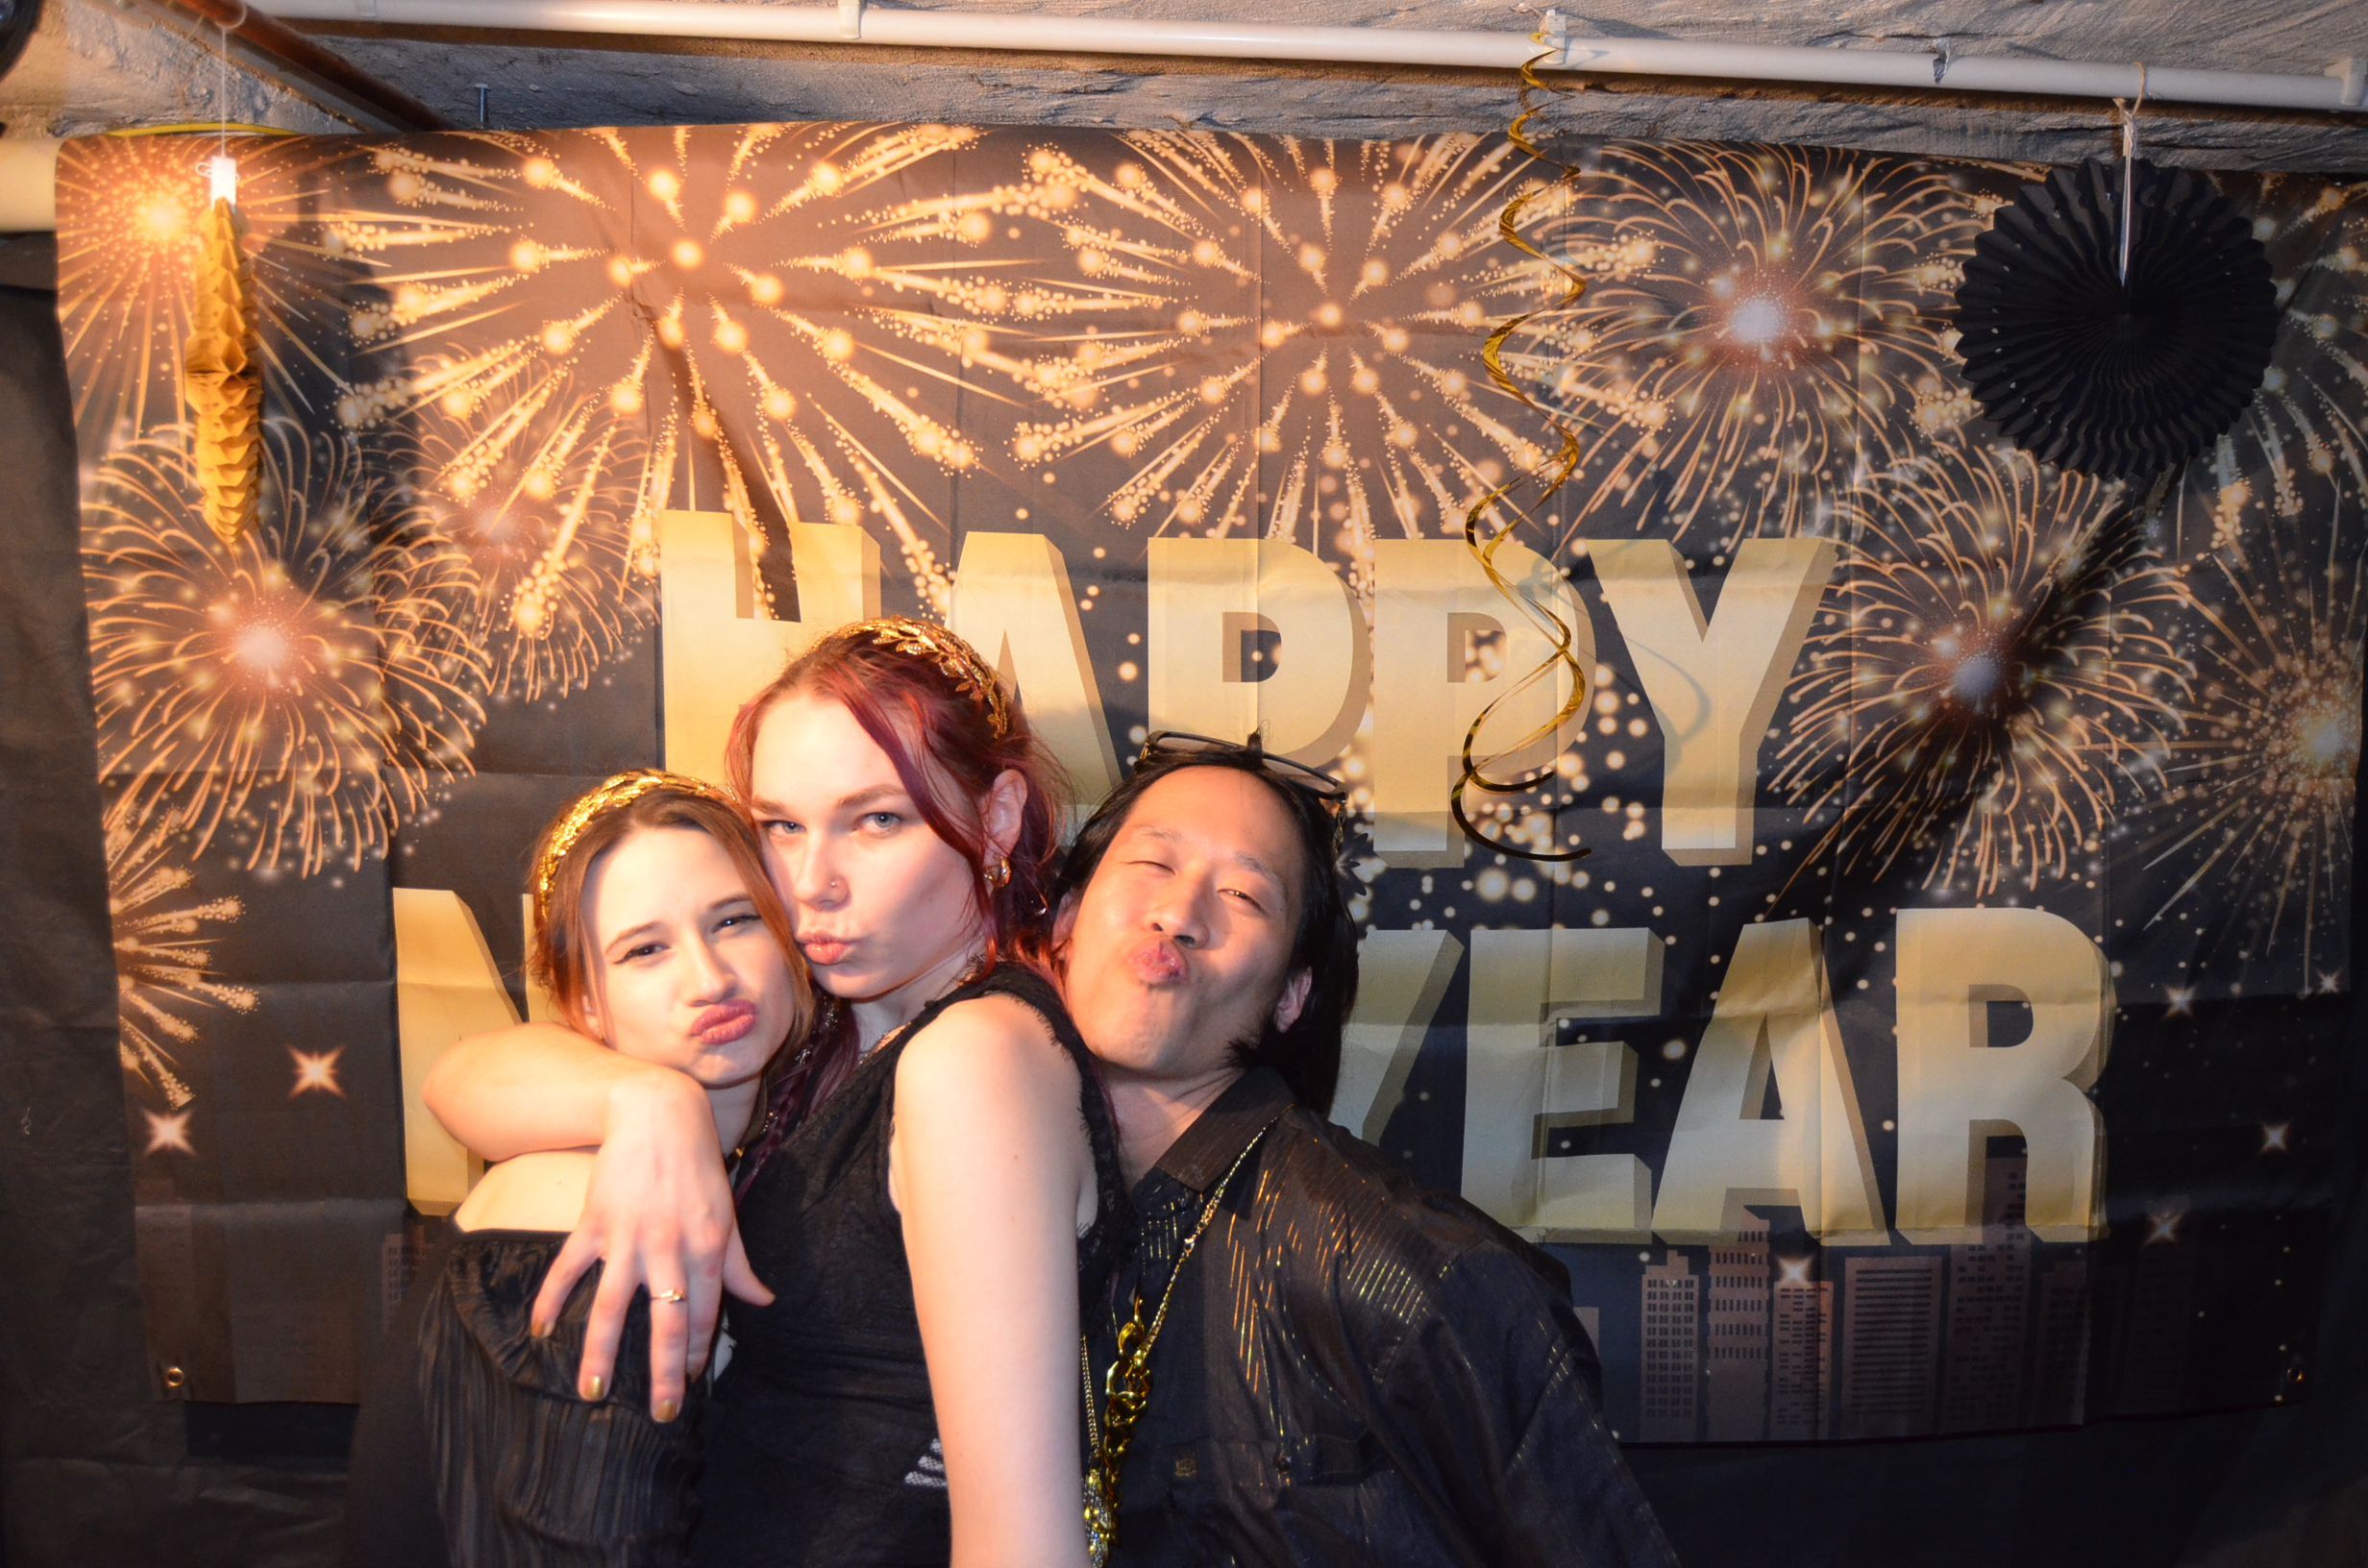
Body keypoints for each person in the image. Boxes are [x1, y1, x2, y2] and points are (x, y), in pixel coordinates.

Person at [420, 620, 1125, 1568]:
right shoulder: (819, 1031)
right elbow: (462, 1077)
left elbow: (1022, 1545)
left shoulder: (973, 1059)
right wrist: (645, 1101)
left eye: (877, 821)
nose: (811, 883)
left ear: (998, 818)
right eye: (781, 827)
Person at [1048, 733, 1677, 1568]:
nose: (1181, 913)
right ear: (1063, 921)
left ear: (1291, 995)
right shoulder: (1003, 1224)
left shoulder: (1413, 1272)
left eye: (1242, 894)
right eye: (1153, 864)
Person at [345, 771, 813, 1568]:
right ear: (585, 1005)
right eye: (646, 950)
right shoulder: (585, 1210)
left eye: (735, 920)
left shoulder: (752, 1146)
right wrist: (655, 1096)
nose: (710, 979)